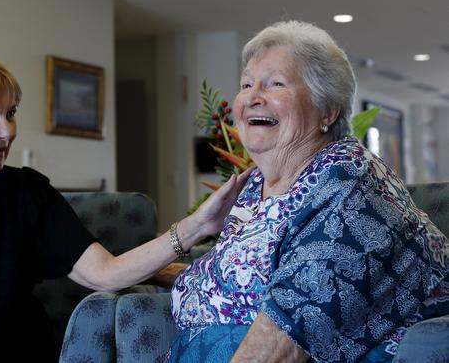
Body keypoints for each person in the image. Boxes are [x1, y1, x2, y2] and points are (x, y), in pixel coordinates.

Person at [0, 51, 249, 363]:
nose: (7, 131)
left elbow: (104, 274)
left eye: (11, 114)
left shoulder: (26, 194)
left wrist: (196, 227)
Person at [166, 21, 449, 363]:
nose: (253, 97)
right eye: (246, 84)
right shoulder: (257, 184)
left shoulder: (349, 189)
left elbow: (286, 337)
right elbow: (238, 273)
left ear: (327, 111)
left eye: (276, 84)